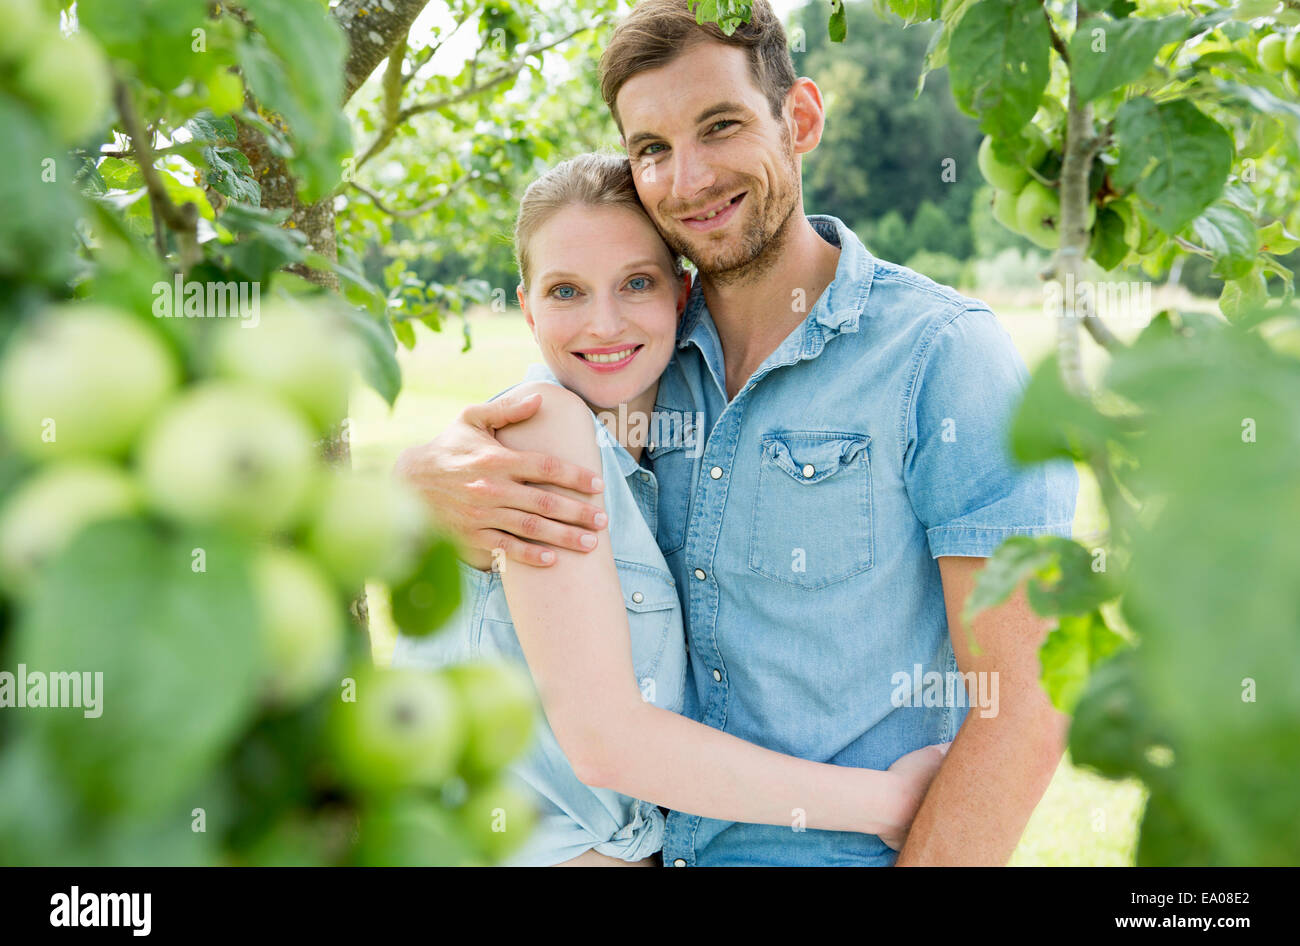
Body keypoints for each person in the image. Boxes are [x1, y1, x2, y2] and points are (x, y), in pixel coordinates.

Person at [397, 0, 1079, 866]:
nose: (687, 180)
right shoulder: (635, 361)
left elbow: (1027, 700)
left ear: (799, 119)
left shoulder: (940, 357)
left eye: (720, 127)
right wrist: (412, 481)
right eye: (652, 149)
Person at [393, 152, 949, 867]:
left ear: (681, 296)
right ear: (527, 308)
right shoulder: (542, 432)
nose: (603, 323)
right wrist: (888, 803)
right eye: (566, 291)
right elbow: (607, 744)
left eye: (635, 283)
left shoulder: (666, 455)